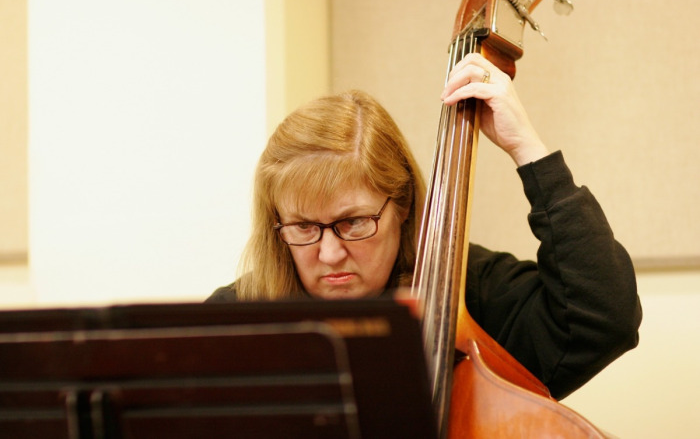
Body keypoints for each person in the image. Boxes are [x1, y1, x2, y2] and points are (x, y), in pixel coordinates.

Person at [207, 53, 642, 399]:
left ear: (403, 206)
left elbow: (604, 318)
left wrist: (526, 147)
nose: (330, 253)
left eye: (353, 222)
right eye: (303, 227)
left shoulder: (468, 295)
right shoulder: (234, 321)